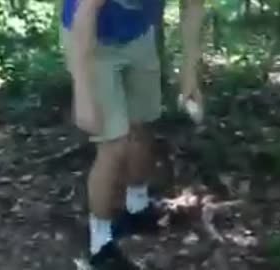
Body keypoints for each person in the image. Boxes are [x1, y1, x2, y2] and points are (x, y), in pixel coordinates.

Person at [59, 0, 204, 269]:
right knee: (113, 143)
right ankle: (100, 245)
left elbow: (193, 6)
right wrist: (83, 93)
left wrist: (189, 75)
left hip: (138, 35)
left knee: (143, 123)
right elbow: (86, 12)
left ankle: (137, 207)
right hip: (92, 40)